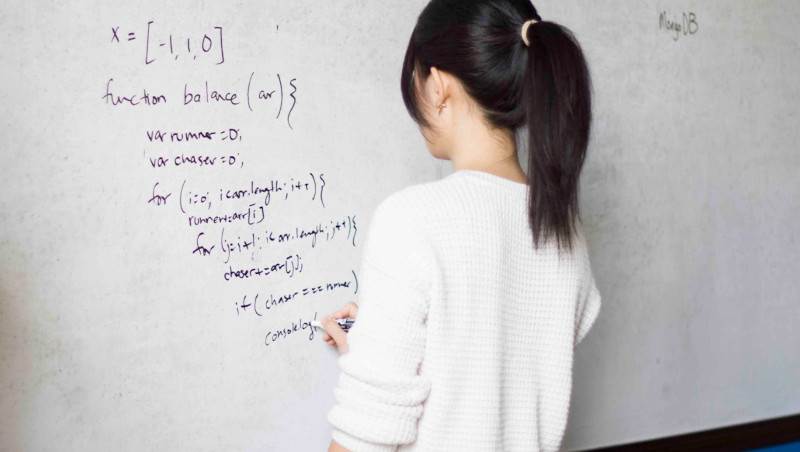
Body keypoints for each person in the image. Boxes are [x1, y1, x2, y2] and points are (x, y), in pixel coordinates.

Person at [321, 0, 601, 450]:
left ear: (438, 85)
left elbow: (363, 439)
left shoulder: (411, 219)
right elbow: (498, 365)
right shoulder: (566, 232)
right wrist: (383, 340)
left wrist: (379, 372)